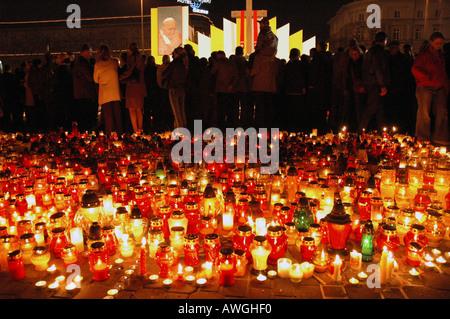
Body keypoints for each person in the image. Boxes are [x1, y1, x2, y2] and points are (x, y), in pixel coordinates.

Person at [412, 32, 449, 146]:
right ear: (431, 42)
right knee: (424, 114)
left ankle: (440, 137)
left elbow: (442, 73)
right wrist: (428, 77)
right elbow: (415, 69)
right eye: (437, 43)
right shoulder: (424, 55)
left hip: (438, 86)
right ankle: (423, 138)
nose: (439, 45)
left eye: (441, 43)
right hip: (425, 86)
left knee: (442, 112)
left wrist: (445, 86)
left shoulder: (440, 55)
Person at [251, 17, 278, 128]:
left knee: (260, 106)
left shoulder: (258, 57)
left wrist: (251, 72)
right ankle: (269, 124)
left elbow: (258, 47)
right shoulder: (274, 37)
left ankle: (259, 125)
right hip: (270, 85)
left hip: (259, 85)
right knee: (269, 105)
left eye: (260, 24)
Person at [360, 31, 390, 134]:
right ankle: (361, 131)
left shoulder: (370, 51)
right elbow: (378, 69)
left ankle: (382, 131)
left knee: (379, 110)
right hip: (376, 84)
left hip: (370, 82)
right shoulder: (379, 52)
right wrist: (382, 85)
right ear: (384, 40)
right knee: (371, 108)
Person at [386, 40, 415, 132]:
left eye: (392, 48)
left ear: (397, 48)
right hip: (392, 87)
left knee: (399, 109)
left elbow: (405, 74)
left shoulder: (402, 59)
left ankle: (400, 127)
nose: (391, 50)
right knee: (392, 109)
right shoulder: (390, 58)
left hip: (400, 88)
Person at [94, 45, 122, 136]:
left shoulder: (98, 65)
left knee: (108, 116)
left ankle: (109, 136)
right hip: (115, 92)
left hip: (105, 93)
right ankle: (119, 134)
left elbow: (95, 79)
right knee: (117, 115)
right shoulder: (114, 63)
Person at [119, 43, 147, 134]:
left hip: (132, 86)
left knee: (132, 109)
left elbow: (129, 71)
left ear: (130, 50)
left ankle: (135, 131)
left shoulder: (131, 58)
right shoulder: (141, 59)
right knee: (139, 109)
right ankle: (140, 129)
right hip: (141, 87)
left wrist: (121, 77)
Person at [308, 41, 332, 134]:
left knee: (317, 109)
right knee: (324, 109)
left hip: (318, 87)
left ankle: (317, 128)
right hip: (326, 87)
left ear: (319, 47)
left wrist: (312, 83)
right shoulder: (328, 57)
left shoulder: (317, 58)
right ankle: (324, 127)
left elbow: (314, 71)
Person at [73, 44, 98, 133]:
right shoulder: (83, 64)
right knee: (85, 116)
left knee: (84, 116)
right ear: (86, 52)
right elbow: (90, 78)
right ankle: (85, 132)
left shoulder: (80, 63)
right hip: (85, 94)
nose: (90, 54)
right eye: (90, 52)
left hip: (82, 93)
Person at [211, 51, 238, 130]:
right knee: (230, 110)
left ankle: (221, 126)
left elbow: (212, 73)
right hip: (231, 90)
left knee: (221, 109)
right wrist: (232, 85)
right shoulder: (232, 64)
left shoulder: (218, 63)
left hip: (220, 89)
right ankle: (230, 126)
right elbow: (236, 76)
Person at [162, 47, 188, 129]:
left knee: (176, 112)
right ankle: (184, 127)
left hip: (174, 88)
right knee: (182, 110)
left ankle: (180, 131)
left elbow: (164, 75)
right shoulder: (185, 63)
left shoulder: (174, 63)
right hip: (182, 88)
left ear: (176, 53)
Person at [283, 48, 307, 133]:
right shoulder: (301, 65)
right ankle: (297, 129)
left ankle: (290, 128)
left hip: (288, 91)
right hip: (298, 91)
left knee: (290, 111)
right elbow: (301, 77)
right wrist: (303, 87)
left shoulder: (287, 66)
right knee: (298, 111)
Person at [341, 46, 365, 132]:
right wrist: (346, 88)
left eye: (355, 54)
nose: (354, 56)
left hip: (358, 87)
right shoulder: (350, 62)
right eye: (352, 54)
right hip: (352, 86)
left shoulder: (362, 63)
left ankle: (359, 127)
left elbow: (364, 75)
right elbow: (348, 76)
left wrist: (363, 86)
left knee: (359, 108)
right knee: (349, 107)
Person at [232, 46, 253, 129]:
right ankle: (243, 121)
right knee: (244, 106)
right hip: (243, 86)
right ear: (242, 52)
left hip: (234, 87)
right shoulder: (244, 62)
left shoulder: (232, 61)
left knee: (234, 105)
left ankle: (234, 121)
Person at [53, 53, 74, 131]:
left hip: (61, 95)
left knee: (61, 115)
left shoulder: (59, 70)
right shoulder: (69, 70)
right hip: (68, 95)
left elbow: (57, 83)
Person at [0, 64, 23, 132]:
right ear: (10, 69)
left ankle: (7, 126)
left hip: (5, 97)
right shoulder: (13, 77)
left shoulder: (2, 77)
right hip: (13, 97)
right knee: (14, 112)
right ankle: (15, 127)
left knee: (6, 112)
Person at [156, 55, 173, 131]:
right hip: (168, 89)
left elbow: (158, 78)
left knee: (164, 107)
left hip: (162, 89)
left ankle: (165, 122)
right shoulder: (169, 68)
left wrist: (161, 86)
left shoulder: (160, 68)